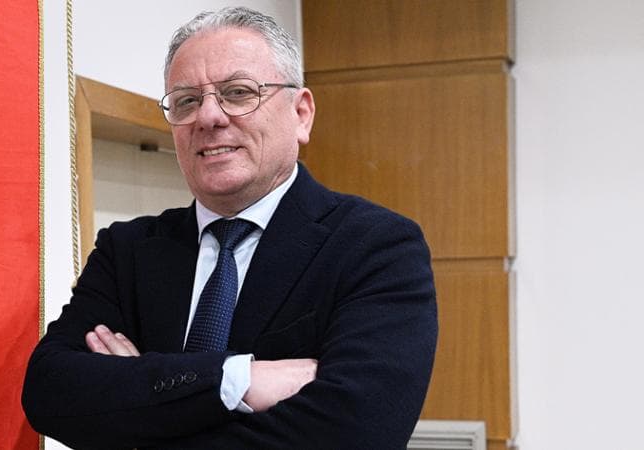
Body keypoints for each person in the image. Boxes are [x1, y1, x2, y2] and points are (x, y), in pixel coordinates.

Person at [22, 7, 437, 450]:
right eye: (186, 101)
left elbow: (356, 432)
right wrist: (237, 379)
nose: (208, 117)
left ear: (301, 114)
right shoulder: (127, 250)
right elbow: (49, 391)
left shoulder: (376, 246)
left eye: (238, 93)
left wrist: (138, 405)